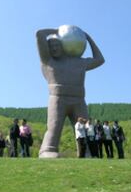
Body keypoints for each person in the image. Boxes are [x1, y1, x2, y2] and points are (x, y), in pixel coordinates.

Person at [36, 27, 105, 158]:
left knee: (84, 129)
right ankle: (47, 149)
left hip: (78, 100)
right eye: (51, 46)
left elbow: (100, 59)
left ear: (65, 46)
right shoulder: (48, 61)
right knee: (54, 128)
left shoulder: (79, 62)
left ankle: (87, 153)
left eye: (57, 45)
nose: (54, 48)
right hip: (58, 98)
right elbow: (39, 34)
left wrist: (88, 39)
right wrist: (58, 31)